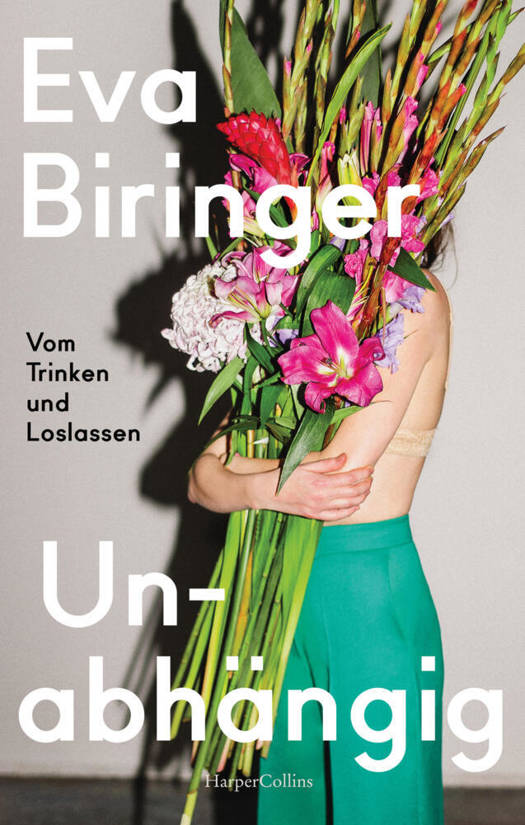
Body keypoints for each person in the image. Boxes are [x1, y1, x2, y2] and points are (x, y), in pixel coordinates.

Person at [187, 260, 452, 825]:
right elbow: (200, 481)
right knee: (290, 805)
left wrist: (243, 480)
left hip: (366, 596)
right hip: (281, 593)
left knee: (382, 809)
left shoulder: (413, 296)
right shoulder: (288, 299)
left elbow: (336, 475)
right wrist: (265, 487)